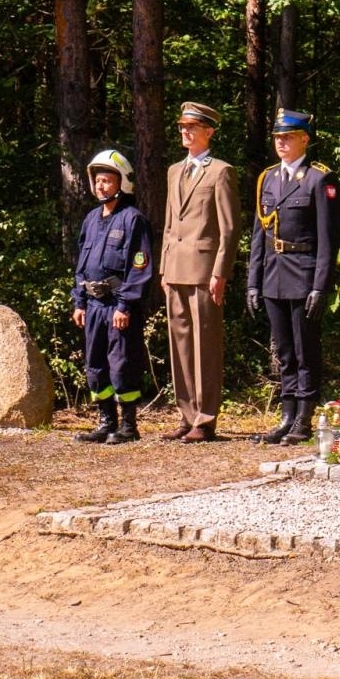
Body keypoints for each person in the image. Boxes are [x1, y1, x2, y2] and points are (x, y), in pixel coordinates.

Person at [248, 109, 340, 445]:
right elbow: (260, 233)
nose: (281, 143)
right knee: (284, 350)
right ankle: (286, 415)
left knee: (305, 349)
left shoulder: (319, 179)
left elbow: (328, 239)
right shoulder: (268, 179)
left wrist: (320, 285)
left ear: (305, 139)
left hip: (303, 274)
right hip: (273, 274)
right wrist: (252, 282)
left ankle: (304, 416)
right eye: (277, 138)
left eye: (288, 137)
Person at [161, 102, 242, 442]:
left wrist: (220, 272)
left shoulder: (220, 171)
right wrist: (164, 268)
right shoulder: (173, 171)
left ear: (209, 132)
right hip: (176, 269)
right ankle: (186, 413)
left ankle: (205, 418)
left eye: (192, 127)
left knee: (204, 344)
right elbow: (168, 223)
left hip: (205, 270)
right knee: (178, 343)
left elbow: (230, 228)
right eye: (182, 126)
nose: (185, 132)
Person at [71, 149, 155, 444]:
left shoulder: (133, 220)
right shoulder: (91, 219)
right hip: (93, 305)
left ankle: (128, 425)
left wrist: (125, 305)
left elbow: (140, 267)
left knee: (122, 362)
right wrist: (78, 301)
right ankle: (106, 421)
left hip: (118, 307)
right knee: (95, 364)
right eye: (97, 181)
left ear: (122, 183)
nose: (101, 186)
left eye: (107, 180)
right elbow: (81, 264)